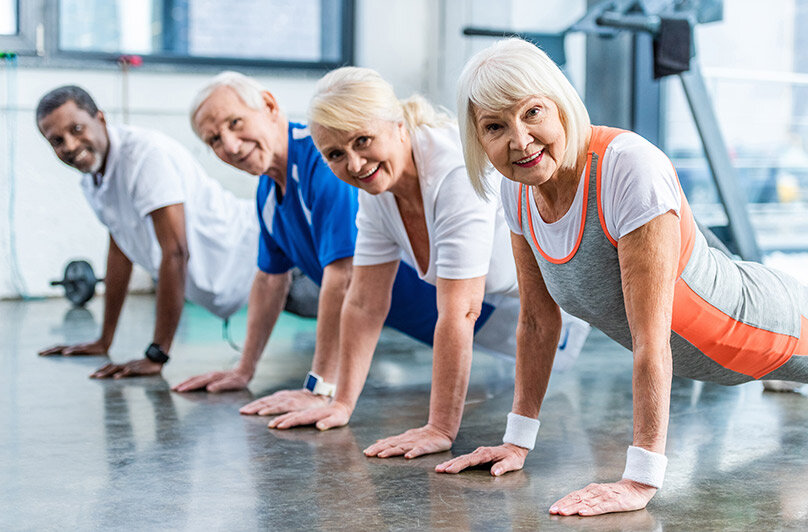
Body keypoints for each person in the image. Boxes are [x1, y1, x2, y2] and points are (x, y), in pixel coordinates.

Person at [434, 38, 808, 517]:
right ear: (478, 139)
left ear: (560, 100)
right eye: (495, 126)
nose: (520, 140)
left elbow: (651, 340)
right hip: (721, 361)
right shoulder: (518, 192)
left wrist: (639, 480)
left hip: (763, 327)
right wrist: (516, 442)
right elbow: (536, 323)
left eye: (531, 113)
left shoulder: (628, 168)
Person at [268, 67, 590, 459]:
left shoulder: (451, 169)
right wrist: (339, 401)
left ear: (399, 126)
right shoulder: (375, 189)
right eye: (336, 155)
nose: (354, 164)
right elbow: (365, 303)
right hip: (515, 319)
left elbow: (460, 311)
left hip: (574, 301)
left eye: (363, 141)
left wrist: (439, 427)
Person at [174, 71, 447, 415]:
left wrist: (320, 386)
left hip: (479, 308)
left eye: (235, 122)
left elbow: (344, 277)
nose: (229, 145)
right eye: (214, 139)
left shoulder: (325, 157)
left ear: (270, 105)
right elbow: (269, 279)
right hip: (433, 326)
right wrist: (244, 369)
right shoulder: (267, 193)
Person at [36, 85, 258, 379]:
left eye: (77, 129)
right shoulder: (93, 179)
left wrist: (157, 354)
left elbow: (176, 252)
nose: (71, 145)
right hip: (243, 283)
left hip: (268, 258)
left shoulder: (143, 156)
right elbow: (120, 248)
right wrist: (104, 340)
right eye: (57, 140)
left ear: (100, 118)